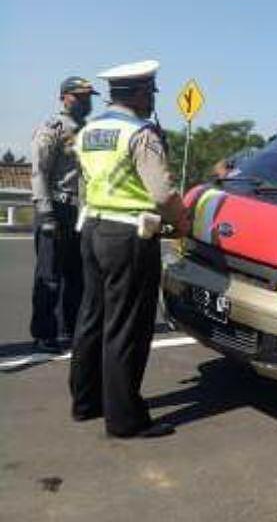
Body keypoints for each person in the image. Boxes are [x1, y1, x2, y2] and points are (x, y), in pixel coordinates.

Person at [69, 60, 190, 438]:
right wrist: (182, 220)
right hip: (129, 236)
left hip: (91, 228)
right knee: (127, 327)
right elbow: (161, 193)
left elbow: (87, 183)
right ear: (139, 94)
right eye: (150, 93)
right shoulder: (141, 134)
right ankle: (125, 420)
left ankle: (86, 402)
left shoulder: (90, 131)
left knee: (92, 316)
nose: (151, 99)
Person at [29, 76, 98, 354]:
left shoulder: (90, 131)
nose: (85, 102)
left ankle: (69, 330)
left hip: (79, 212)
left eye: (88, 97)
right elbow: (39, 172)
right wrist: (45, 214)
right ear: (64, 97)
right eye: (79, 96)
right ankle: (44, 334)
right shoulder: (52, 128)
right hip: (56, 208)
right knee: (49, 275)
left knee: (76, 276)